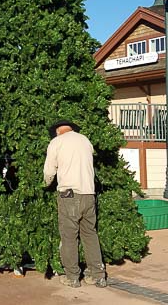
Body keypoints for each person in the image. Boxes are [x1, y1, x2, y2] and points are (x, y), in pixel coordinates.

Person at [43, 120, 106, 288]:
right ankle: (98, 276)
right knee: (90, 234)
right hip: (88, 194)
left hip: (69, 195)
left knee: (69, 237)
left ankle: (72, 277)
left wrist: (46, 184)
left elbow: (49, 171)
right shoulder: (85, 140)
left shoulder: (56, 142)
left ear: (57, 131)